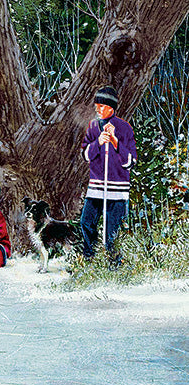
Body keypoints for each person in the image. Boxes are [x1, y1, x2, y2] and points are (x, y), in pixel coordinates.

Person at [79, 86, 137, 266]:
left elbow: (130, 161)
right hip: (96, 187)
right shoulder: (93, 126)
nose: (98, 110)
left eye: (102, 106)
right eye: (97, 105)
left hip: (117, 189)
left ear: (111, 108)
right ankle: (90, 261)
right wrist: (98, 142)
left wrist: (114, 141)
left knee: (112, 231)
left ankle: (114, 264)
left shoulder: (124, 128)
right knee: (86, 223)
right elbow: (85, 155)